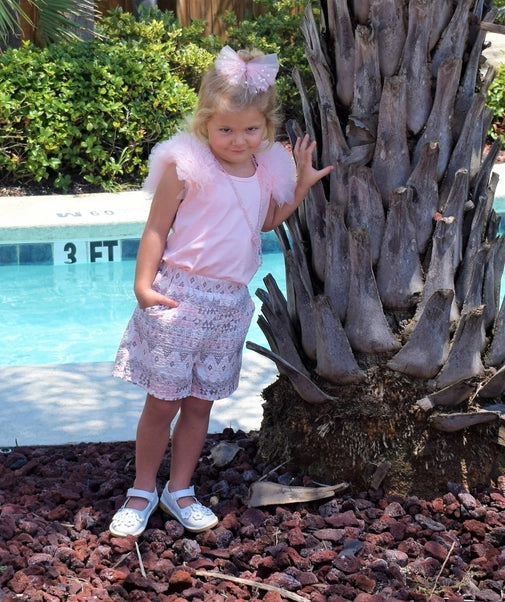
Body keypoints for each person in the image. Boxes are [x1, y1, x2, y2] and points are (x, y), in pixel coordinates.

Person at [109, 45, 334, 537]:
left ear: (266, 127)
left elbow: (265, 222)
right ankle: (142, 488)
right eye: (225, 129)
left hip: (228, 306)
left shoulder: (263, 172)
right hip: (178, 298)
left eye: (250, 129)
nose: (238, 140)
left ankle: (181, 490)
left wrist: (299, 187)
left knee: (199, 404)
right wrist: (143, 287)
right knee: (162, 402)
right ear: (205, 124)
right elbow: (155, 229)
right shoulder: (186, 169)